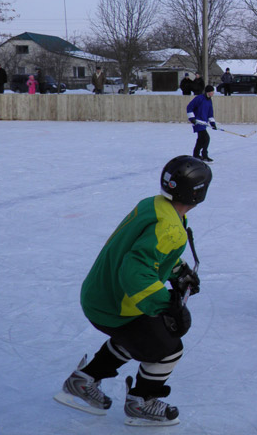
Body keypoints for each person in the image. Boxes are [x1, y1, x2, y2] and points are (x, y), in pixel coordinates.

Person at [54, 155, 212, 426]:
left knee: (137, 337)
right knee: (169, 348)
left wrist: (177, 270)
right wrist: (166, 306)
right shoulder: (171, 227)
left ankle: (83, 380)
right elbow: (135, 271)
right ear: (198, 193)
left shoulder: (154, 205)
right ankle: (142, 401)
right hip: (116, 304)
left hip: (99, 292)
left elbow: (146, 249)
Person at [186, 85, 217, 162]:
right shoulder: (199, 98)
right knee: (206, 138)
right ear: (208, 92)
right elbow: (189, 107)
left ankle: (196, 155)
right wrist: (192, 118)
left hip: (204, 123)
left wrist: (212, 123)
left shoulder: (209, 100)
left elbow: (210, 113)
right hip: (197, 122)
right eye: (212, 92)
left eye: (213, 91)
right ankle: (204, 155)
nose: (213, 93)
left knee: (200, 140)